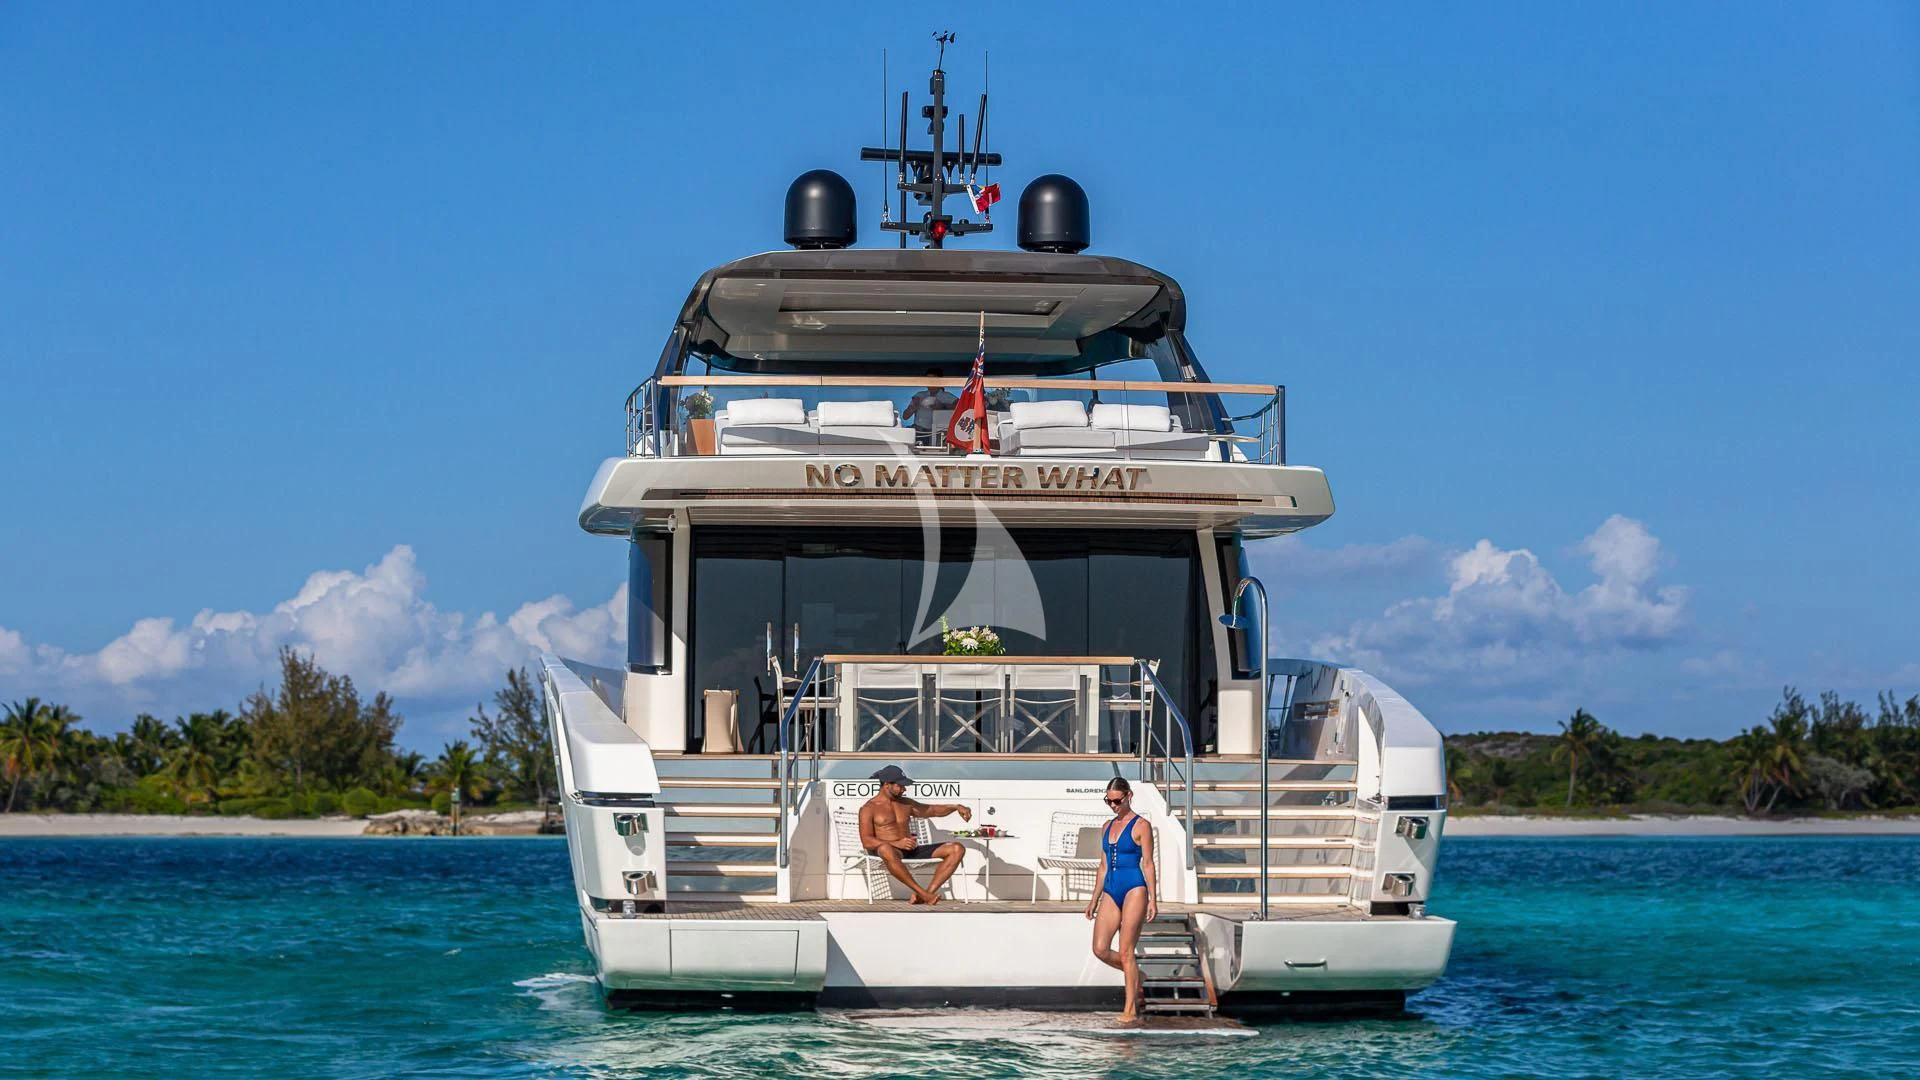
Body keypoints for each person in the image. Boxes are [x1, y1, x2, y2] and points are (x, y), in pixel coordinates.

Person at [1086, 776, 1157, 1025]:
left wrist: (1153, 899)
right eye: (1109, 801)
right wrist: (1094, 899)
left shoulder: (1142, 825)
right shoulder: (1106, 826)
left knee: (1127, 951)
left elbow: (1148, 864)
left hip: (1134, 888)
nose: (1113, 805)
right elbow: (1103, 866)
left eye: (1117, 801)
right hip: (1111, 889)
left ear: (1128, 797)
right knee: (1100, 949)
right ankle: (1138, 975)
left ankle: (1130, 1010)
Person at [857, 765, 972, 905]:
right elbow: (867, 841)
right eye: (900, 786)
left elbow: (933, 810)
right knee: (885, 849)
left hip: (910, 850)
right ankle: (923, 893)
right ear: (887, 784)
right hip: (889, 852)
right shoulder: (869, 808)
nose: (904, 789)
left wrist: (955, 807)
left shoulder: (905, 804)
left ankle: (925, 895)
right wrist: (896, 843)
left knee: (956, 848)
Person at [901, 369, 956, 444]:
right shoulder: (919, 395)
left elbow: (960, 409)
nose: (930, 382)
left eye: (932, 379)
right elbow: (905, 416)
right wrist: (914, 406)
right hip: (919, 432)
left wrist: (943, 407)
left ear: (940, 381)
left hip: (939, 433)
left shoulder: (947, 396)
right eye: (927, 380)